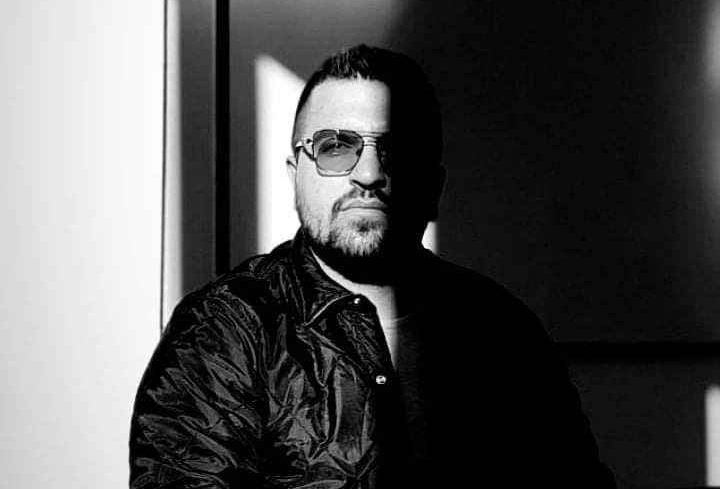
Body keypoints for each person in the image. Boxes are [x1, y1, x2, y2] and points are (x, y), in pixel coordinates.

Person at [130, 44, 615, 488]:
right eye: (335, 147)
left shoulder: (504, 331)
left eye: (396, 150)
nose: (368, 173)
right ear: (294, 176)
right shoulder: (223, 329)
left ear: (434, 188)